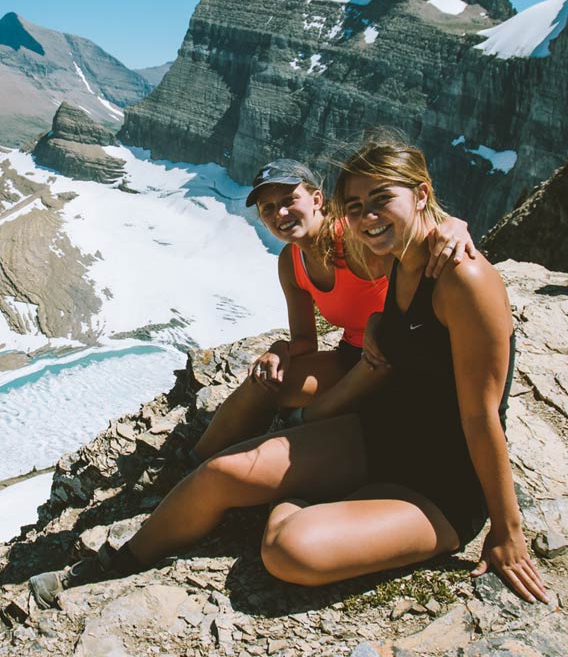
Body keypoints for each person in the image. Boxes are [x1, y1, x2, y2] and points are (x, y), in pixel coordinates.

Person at [30, 140, 549, 608]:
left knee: (288, 551)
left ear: (420, 194)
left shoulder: (464, 278)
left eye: (381, 199)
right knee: (217, 475)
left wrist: (507, 530)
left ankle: (308, 503)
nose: (368, 218)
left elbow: (483, 416)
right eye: (356, 207)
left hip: (442, 482)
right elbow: (347, 267)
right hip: (379, 434)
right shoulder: (389, 256)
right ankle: (107, 569)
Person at [189, 158, 474, 463]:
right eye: (268, 209)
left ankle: (303, 422)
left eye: (289, 200)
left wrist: (453, 225)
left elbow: (413, 238)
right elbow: (304, 340)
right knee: (265, 383)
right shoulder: (291, 262)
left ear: (316, 199)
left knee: (372, 363)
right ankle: (192, 461)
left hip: (398, 358)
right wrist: (278, 350)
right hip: (350, 359)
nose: (280, 214)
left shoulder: (356, 239)